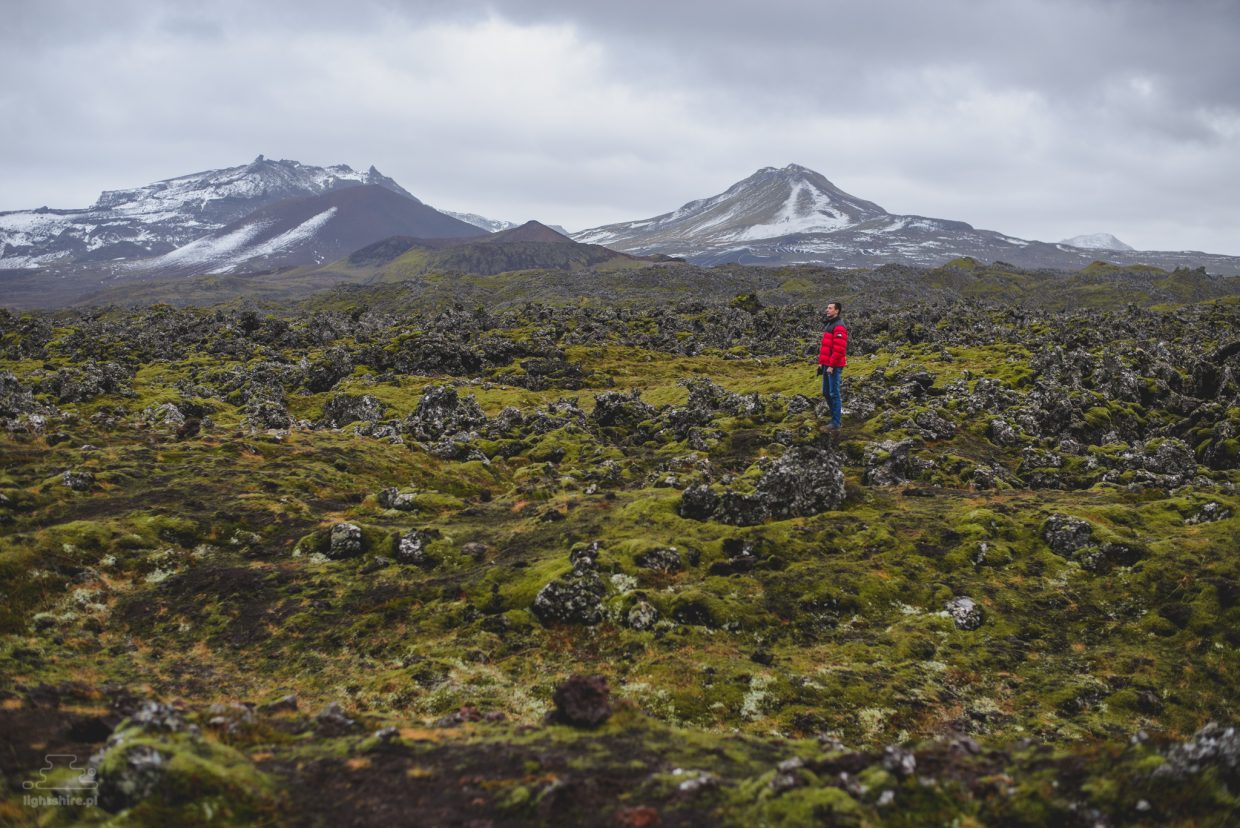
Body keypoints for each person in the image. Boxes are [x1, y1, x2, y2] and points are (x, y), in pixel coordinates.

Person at [817, 301, 848, 433]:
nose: (827, 310)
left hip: (833, 366)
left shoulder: (839, 326)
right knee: (826, 392)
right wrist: (821, 362)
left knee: (834, 393)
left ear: (837, 311)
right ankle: (835, 418)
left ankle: (836, 422)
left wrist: (831, 365)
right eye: (827, 307)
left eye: (830, 308)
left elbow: (839, 349)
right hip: (826, 364)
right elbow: (825, 347)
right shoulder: (830, 324)